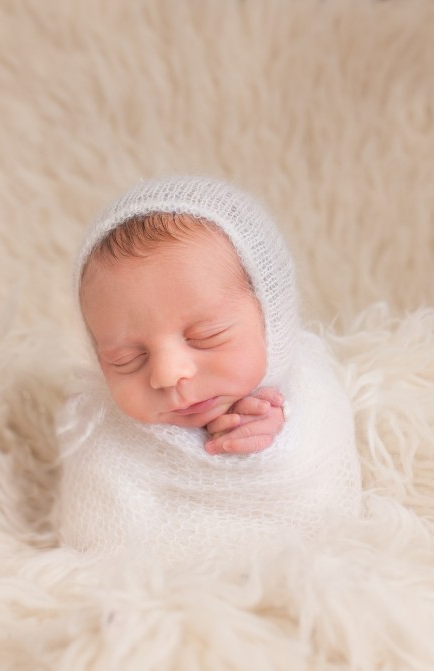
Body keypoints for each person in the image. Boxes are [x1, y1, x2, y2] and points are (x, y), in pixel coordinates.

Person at [55, 176, 361, 563]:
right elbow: (94, 541)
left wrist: (279, 438)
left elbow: (325, 476)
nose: (167, 375)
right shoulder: (101, 435)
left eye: (206, 336)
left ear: (273, 318)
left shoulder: (310, 387)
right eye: (126, 359)